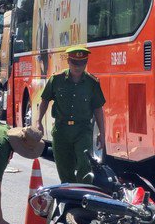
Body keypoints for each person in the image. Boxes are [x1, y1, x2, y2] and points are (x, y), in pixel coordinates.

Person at [37, 45, 106, 183]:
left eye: (82, 63)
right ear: (68, 61)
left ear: (86, 63)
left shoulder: (92, 83)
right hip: (61, 130)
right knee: (64, 169)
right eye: (75, 62)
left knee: (84, 166)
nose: (78, 67)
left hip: (83, 131)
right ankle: (70, 199)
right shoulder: (56, 80)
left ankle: (82, 197)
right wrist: (38, 122)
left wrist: (102, 133)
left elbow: (98, 109)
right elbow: (44, 100)